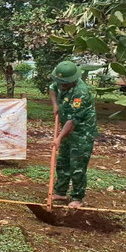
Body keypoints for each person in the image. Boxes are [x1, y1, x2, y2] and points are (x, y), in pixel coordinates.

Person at [48, 60, 97, 209]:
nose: (61, 85)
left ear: (72, 80)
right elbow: (52, 88)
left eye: (64, 83)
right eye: (60, 82)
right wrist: (55, 105)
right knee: (63, 161)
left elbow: (72, 122)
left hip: (82, 132)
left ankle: (77, 197)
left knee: (77, 165)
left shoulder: (81, 93)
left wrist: (58, 138)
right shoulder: (60, 82)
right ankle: (61, 192)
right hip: (66, 129)